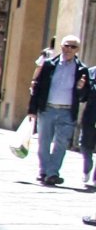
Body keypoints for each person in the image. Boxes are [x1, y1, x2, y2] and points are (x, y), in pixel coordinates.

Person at [28, 35, 89, 186]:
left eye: (73, 47)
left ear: (77, 50)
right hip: (47, 109)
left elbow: (83, 96)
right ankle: (44, 170)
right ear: (61, 47)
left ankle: (52, 173)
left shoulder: (82, 69)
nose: (69, 49)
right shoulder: (49, 65)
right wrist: (32, 109)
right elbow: (38, 87)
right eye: (66, 46)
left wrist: (81, 88)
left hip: (67, 112)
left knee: (61, 143)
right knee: (44, 142)